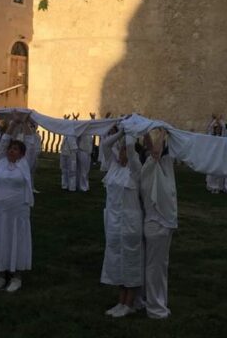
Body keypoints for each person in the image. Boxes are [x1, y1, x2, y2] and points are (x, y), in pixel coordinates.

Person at [0, 111, 38, 292]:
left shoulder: (24, 164)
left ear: (21, 154)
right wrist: (13, 124)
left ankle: (16, 276)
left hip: (18, 211)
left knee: (16, 239)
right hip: (0, 211)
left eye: (15, 149)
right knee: (1, 238)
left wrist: (25, 124)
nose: (10, 151)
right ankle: (0, 274)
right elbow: (3, 142)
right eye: (10, 149)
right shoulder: (1, 162)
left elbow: (31, 144)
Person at [99, 125, 143, 318]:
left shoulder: (135, 170)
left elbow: (133, 152)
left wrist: (131, 133)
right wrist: (121, 132)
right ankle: (120, 300)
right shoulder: (114, 167)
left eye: (124, 149)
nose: (122, 151)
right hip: (113, 221)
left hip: (130, 222)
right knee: (117, 259)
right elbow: (105, 145)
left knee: (130, 260)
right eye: (122, 149)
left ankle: (129, 302)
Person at [139, 128, 177, 319]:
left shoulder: (159, 167)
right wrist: (162, 132)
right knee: (155, 268)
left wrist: (147, 133)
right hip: (156, 224)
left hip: (163, 223)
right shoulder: (150, 167)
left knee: (160, 267)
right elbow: (154, 151)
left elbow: (151, 149)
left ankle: (157, 301)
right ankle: (155, 308)